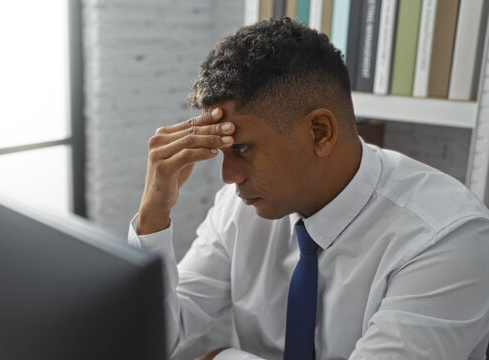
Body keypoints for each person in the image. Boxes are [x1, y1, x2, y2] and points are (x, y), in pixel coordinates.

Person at [127, 17, 489, 359]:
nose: (228, 175)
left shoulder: (448, 238)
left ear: (320, 132)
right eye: (222, 151)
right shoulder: (239, 208)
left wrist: (223, 355)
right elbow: (157, 341)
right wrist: (153, 215)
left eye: (241, 149)